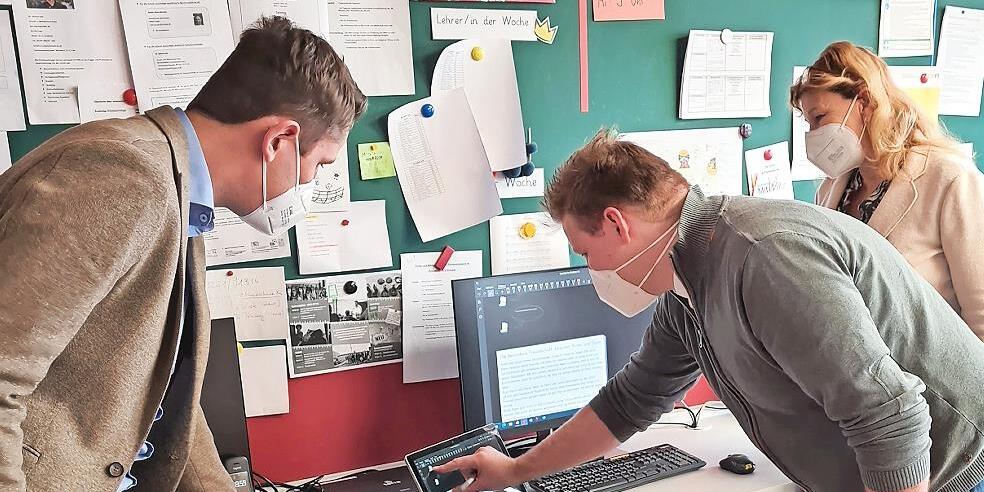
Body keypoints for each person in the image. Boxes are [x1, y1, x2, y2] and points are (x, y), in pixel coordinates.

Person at [435, 130, 984, 492]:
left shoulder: (763, 258)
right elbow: (630, 401)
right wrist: (516, 470)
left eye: (585, 251)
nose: (590, 269)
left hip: (954, 470)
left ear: (618, 224)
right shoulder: (686, 281)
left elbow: (889, 416)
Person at [0, 17, 366, 491]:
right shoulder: (124, 178)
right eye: (320, 163)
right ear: (278, 140)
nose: (313, 181)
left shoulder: (177, 191)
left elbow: (165, 399)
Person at [791, 41, 984, 341]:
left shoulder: (949, 179)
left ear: (864, 102)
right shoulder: (830, 190)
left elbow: (981, 312)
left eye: (820, 118)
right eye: (808, 123)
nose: (813, 135)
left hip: (928, 367)